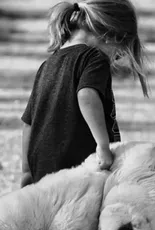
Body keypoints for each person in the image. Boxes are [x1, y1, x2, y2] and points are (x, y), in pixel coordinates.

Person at [21, 0, 148, 187]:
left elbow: (29, 122)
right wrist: (103, 146)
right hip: (80, 167)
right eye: (119, 53)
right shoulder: (94, 58)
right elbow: (86, 96)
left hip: (43, 169)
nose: (115, 59)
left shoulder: (48, 64)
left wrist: (26, 170)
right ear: (110, 35)